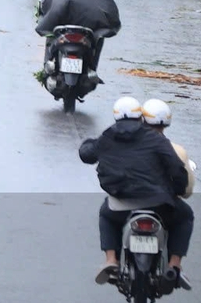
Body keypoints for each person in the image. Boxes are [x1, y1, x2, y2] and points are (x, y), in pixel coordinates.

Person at [81, 96, 193, 288]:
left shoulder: (108, 136)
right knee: (185, 216)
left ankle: (111, 260)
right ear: (140, 117)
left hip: (120, 203)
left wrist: (88, 143)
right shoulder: (154, 138)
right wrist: (178, 190)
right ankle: (175, 265)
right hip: (158, 203)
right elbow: (176, 167)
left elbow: (87, 154)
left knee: (106, 215)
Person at [35, 0, 121, 80]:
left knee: (50, 32)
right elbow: (105, 3)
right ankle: (92, 68)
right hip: (84, 29)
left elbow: (48, 2)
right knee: (99, 36)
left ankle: (48, 65)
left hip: (64, 27)